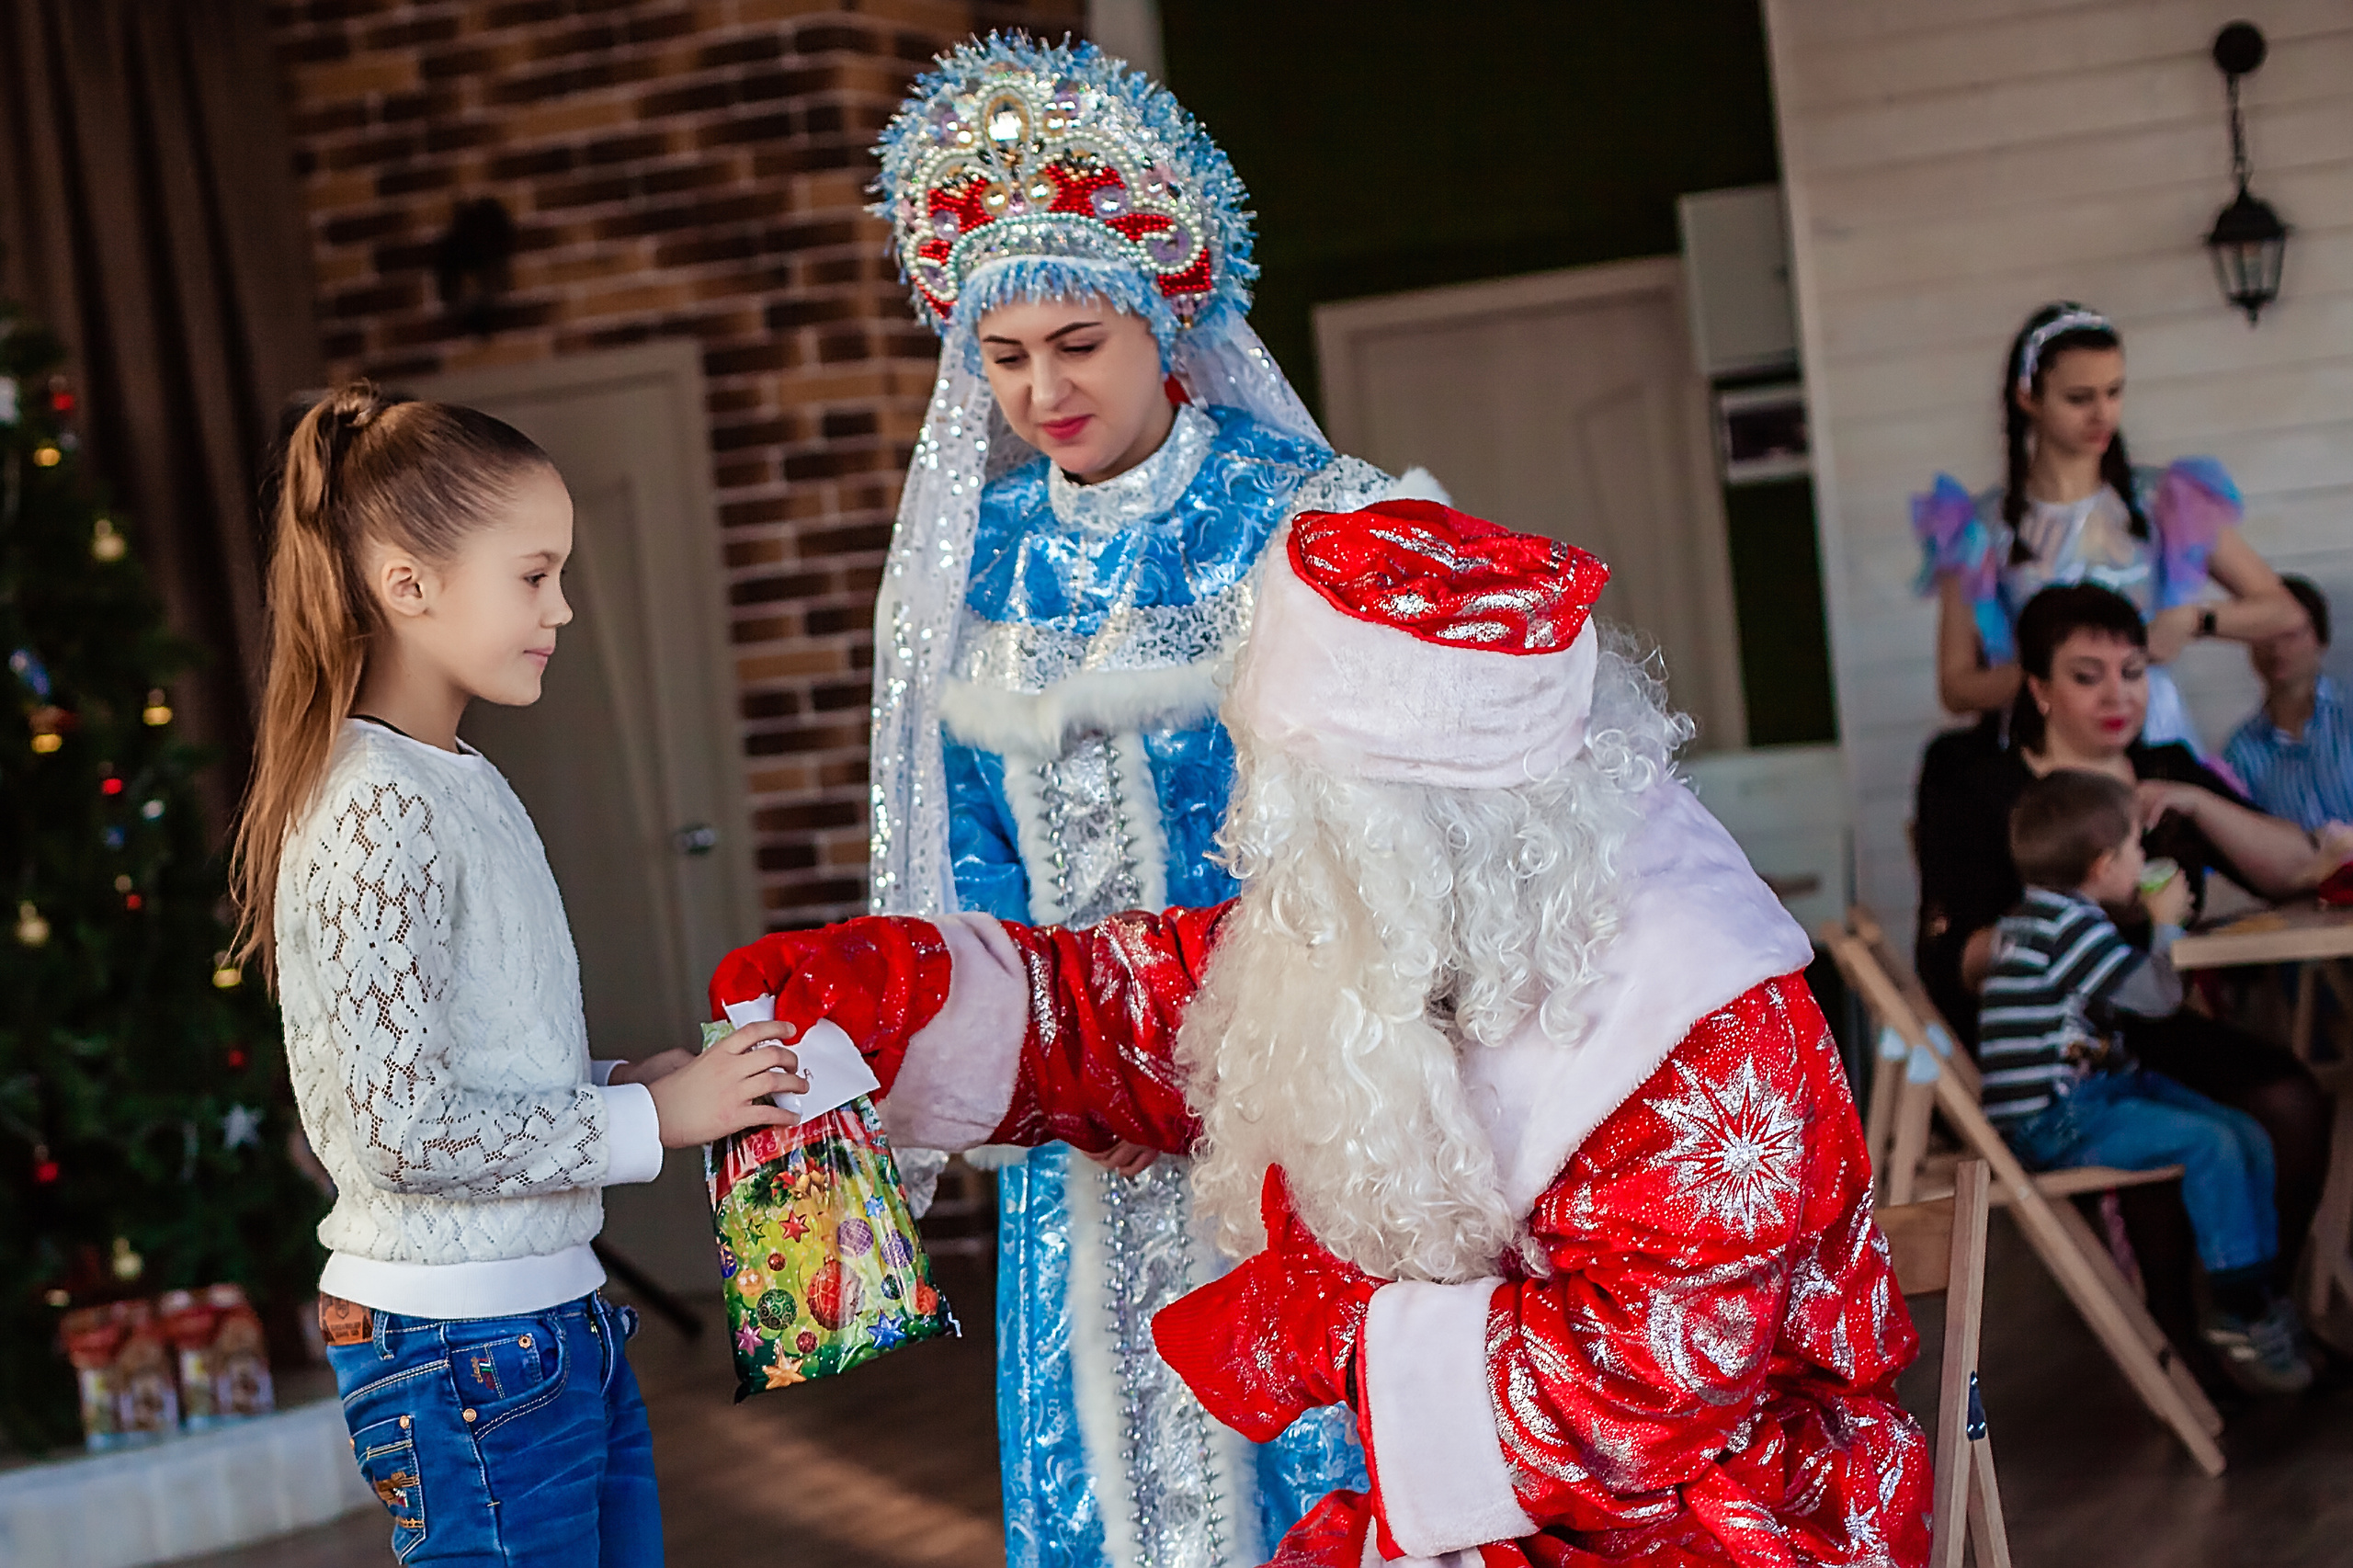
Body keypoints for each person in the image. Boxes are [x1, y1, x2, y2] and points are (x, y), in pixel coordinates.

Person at [721, 501, 1932, 1567]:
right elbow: (1163, 1004)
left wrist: (1338, 1321)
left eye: (1309, 812)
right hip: (1500, 1509)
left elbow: (1634, 1400)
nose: (1259, 835)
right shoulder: (1416, 909)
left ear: (1431, 824)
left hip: (1729, 1512)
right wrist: (911, 994)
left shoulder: (1702, 1021)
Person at [866, 36, 1429, 1566]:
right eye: (1004, 356)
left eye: (1079, 342)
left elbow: (1395, 827)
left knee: (1318, 1466)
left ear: (1164, 318)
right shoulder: (966, 563)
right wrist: (1000, 1048)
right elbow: (961, 856)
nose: (1041, 389)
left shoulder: (1298, 516)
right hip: (1084, 1149)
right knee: (1109, 1480)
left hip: (1299, 1113)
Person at [229, 386, 804, 1567]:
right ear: (408, 582)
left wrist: (624, 1079)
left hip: (551, 1320)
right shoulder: (372, 804)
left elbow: (472, 1056)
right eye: (533, 575)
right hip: (460, 1348)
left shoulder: (461, 777)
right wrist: (646, 1117)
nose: (564, 607)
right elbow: (400, 1131)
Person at [1913, 581, 2340, 1390]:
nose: (2119, 694)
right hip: (2056, 1044)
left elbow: (2296, 868)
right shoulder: (1975, 779)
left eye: (2135, 671)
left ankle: (2251, 1312)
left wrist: (2194, 803)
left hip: (2146, 1020)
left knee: (2286, 1100)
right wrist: (2066, 931)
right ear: (2037, 688)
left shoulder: (2162, 766)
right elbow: (1948, 955)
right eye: (2087, 674)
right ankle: (2181, 1354)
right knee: (2165, 1134)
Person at [1983, 770, 2308, 1393]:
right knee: (2213, 1141)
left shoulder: (2045, 915)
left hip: (2091, 1095)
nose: (2143, 860)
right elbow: (2158, 997)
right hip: (2058, 1117)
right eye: (2136, 849)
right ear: (2104, 865)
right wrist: (2165, 923)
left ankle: (2257, 1288)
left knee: (2241, 1129)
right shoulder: (2068, 926)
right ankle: (2243, 1303)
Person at [1912, 301, 2303, 752]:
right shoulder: (1980, 526)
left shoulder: (2159, 499)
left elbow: (2284, 610)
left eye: (2114, 392)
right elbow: (1957, 686)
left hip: (2153, 738)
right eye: (2079, 398)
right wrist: (2052, 675)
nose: (2103, 414)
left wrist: (2194, 620)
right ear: (2027, 397)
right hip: (2044, 752)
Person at [2225, 574, 2353, 832]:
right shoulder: (2240, 753)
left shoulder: (2347, 711)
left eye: (2290, 634)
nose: (2276, 647)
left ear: (2321, 638)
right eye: (2263, 633)